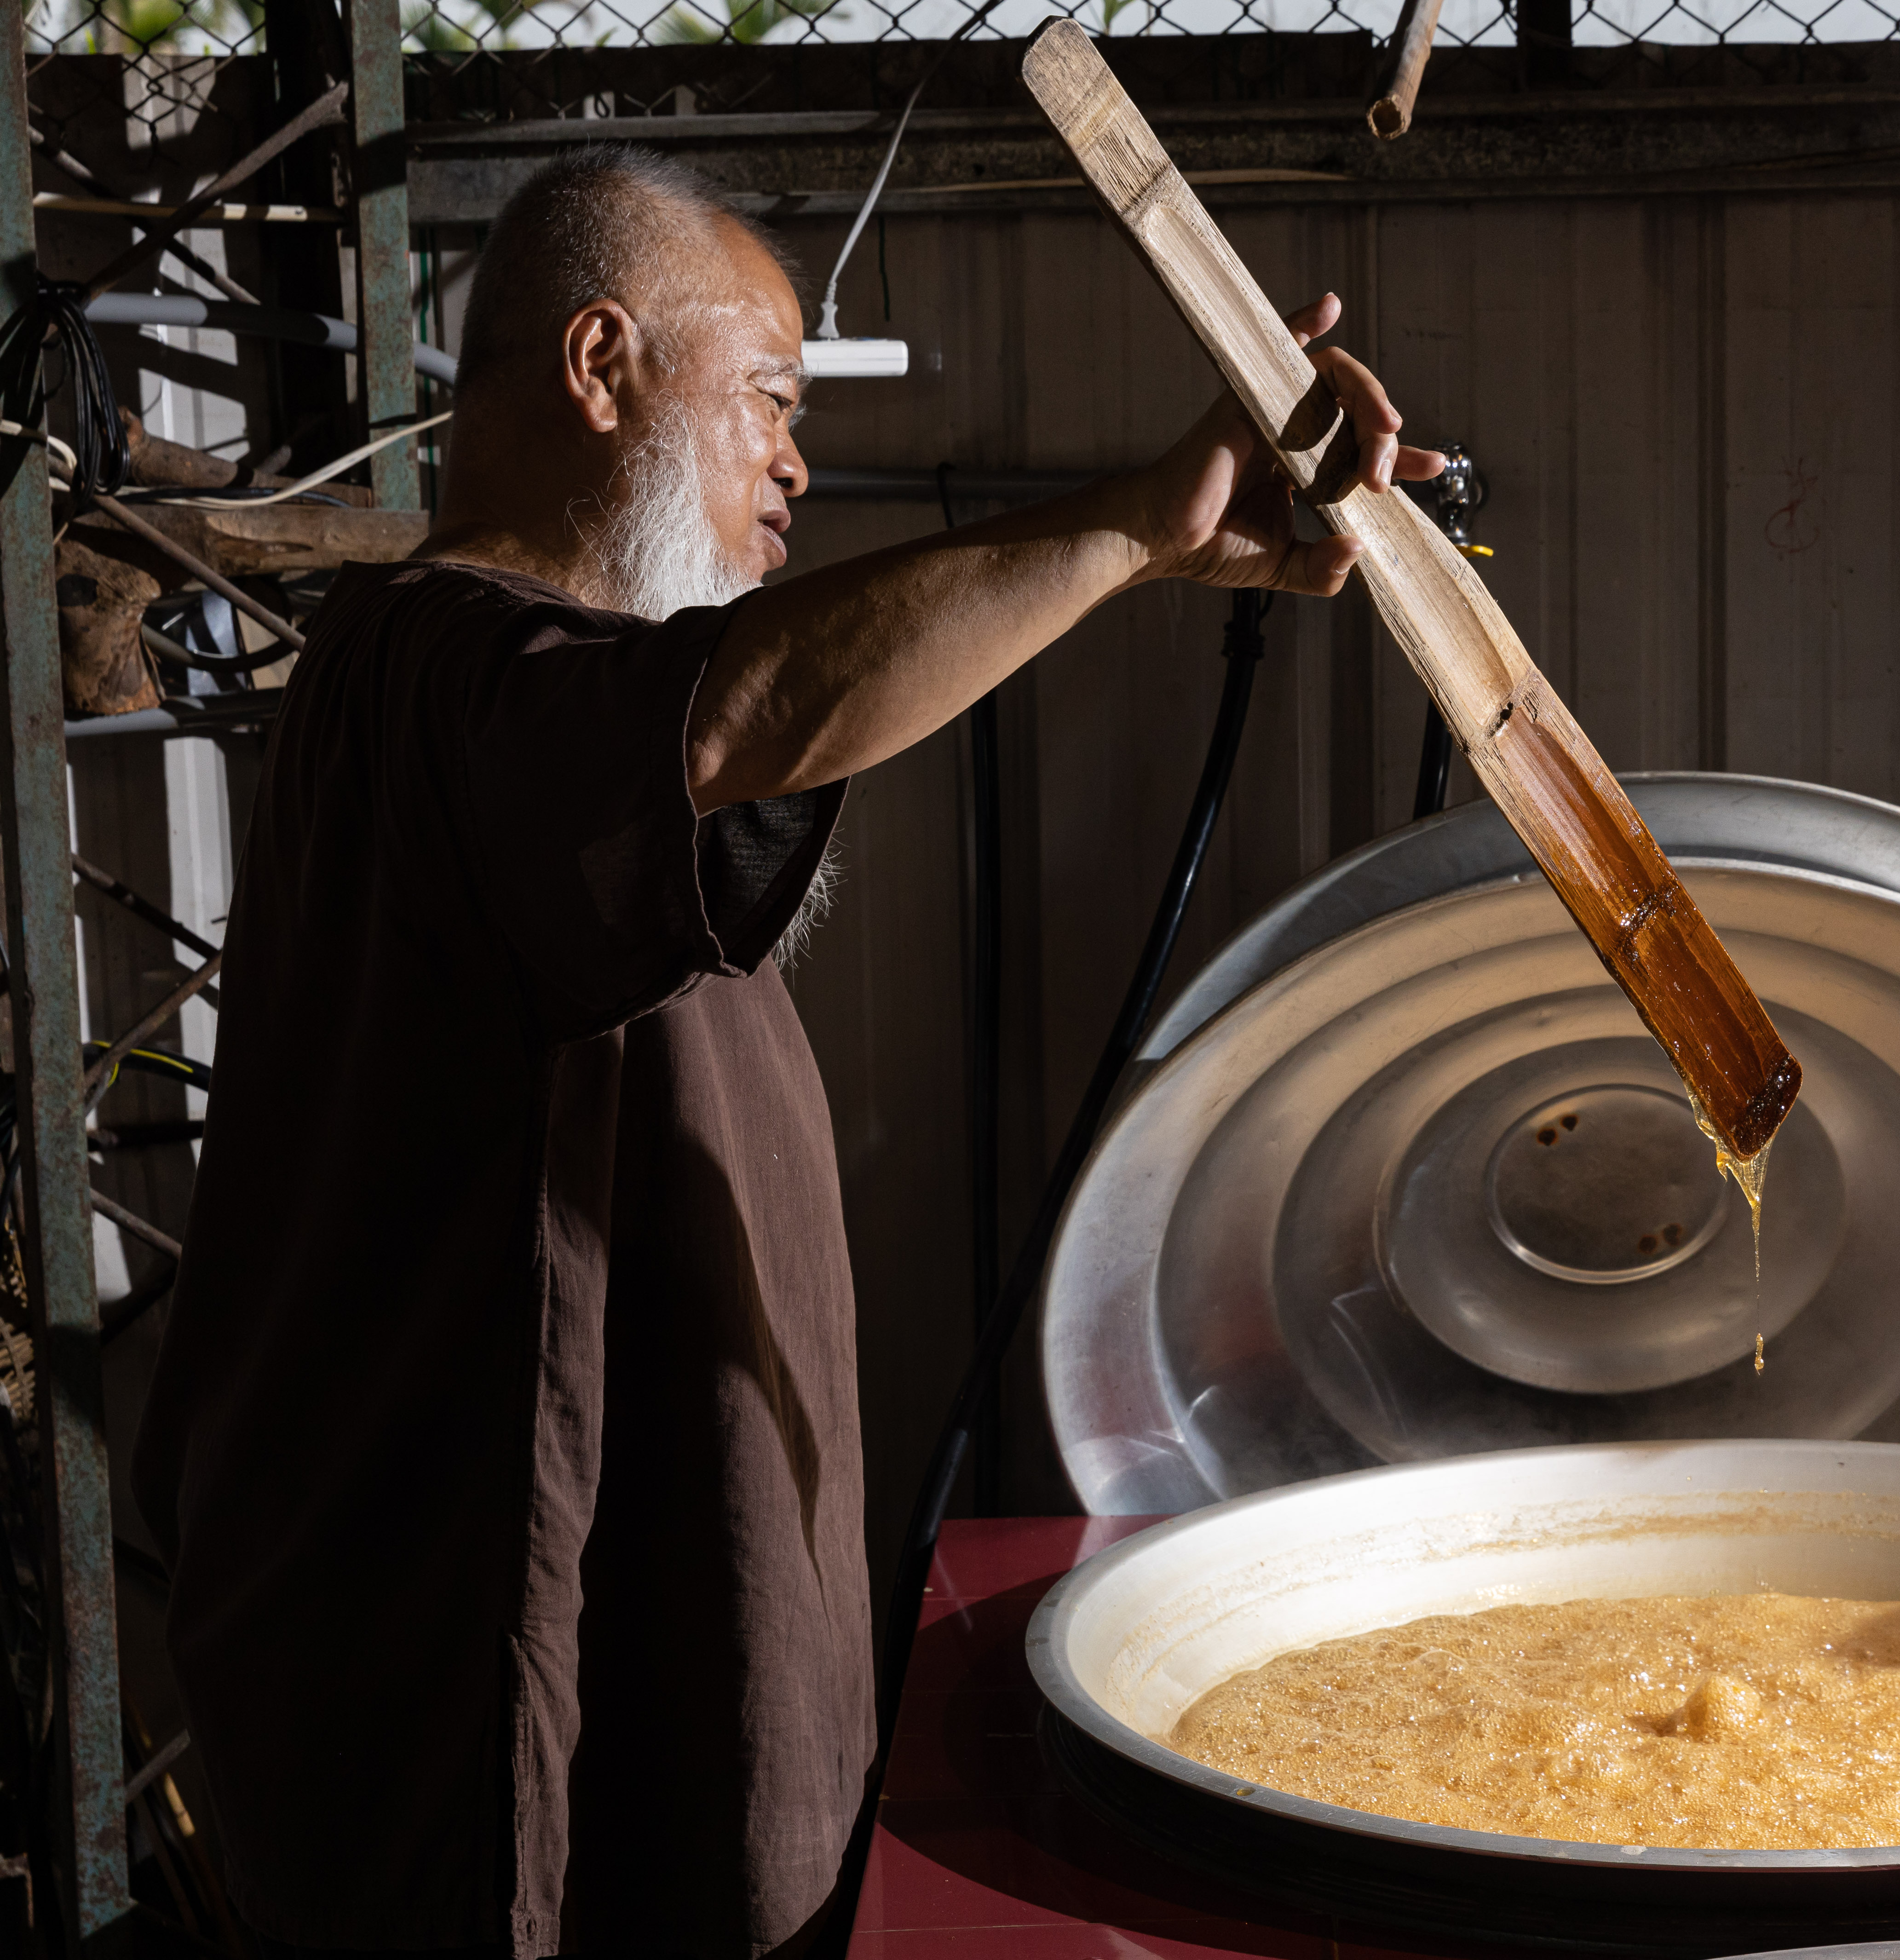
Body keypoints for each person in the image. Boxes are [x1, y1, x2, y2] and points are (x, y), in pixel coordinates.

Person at [132, 144, 1440, 1958]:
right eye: (764, 395)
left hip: (671, 1649)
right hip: (483, 1711)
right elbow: (760, 702)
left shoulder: (539, 713)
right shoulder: (439, 668)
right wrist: (1138, 524)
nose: (796, 465)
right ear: (600, 367)